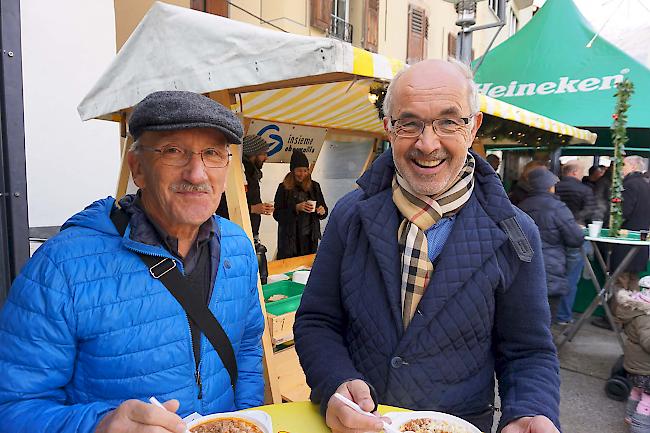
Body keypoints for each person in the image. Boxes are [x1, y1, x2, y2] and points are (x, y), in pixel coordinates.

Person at [293, 60, 561, 433]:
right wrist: (335, 383)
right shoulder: (349, 215)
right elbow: (317, 321)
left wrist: (530, 410)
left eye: (448, 122)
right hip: (358, 425)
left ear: (473, 127)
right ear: (389, 129)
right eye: (410, 123)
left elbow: (528, 350)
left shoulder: (517, 232)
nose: (428, 143)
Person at [0, 91, 265, 433]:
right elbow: (11, 406)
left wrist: (246, 420)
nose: (197, 173)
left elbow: (246, 348)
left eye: (212, 153)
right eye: (173, 151)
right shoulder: (61, 267)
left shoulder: (238, 248)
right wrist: (98, 425)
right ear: (137, 168)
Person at [517, 167, 584, 321]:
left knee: (526, 321)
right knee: (547, 322)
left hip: (523, 271)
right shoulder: (557, 208)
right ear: (549, 186)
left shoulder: (522, 207)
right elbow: (575, 239)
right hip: (551, 272)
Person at [554, 160, 600, 325]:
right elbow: (591, 212)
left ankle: (550, 314)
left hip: (555, 236)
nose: (583, 175)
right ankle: (563, 316)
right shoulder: (585, 190)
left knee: (552, 276)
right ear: (574, 173)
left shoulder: (554, 187)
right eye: (581, 172)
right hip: (576, 235)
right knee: (571, 278)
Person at [273, 149, 328, 259]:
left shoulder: (315, 186)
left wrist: (322, 211)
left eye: (305, 170)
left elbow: (323, 210)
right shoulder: (283, 188)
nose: (302, 174)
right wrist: (296, 208)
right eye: (299, 170)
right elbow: (277, 214)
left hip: (309, 239)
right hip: (289, 241)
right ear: (292, 171)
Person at [610, 156, 650, 291]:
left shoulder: (629, 185)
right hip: (640, 240)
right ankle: (635, 311)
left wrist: (611, 224)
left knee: (621, 281)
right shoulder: (646, 184)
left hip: (625, 240)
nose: (621, 169)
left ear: (633, 167)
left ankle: (619, 312)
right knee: (634, 281)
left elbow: (623, 213)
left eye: (624, 165)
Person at [615, 289, 650, 432]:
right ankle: (640, 427)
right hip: (646, 367)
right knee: (648, 398)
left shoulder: (634, 310)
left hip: (635, 363)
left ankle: (630, 416)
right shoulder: (646, 318)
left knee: (636, 390)